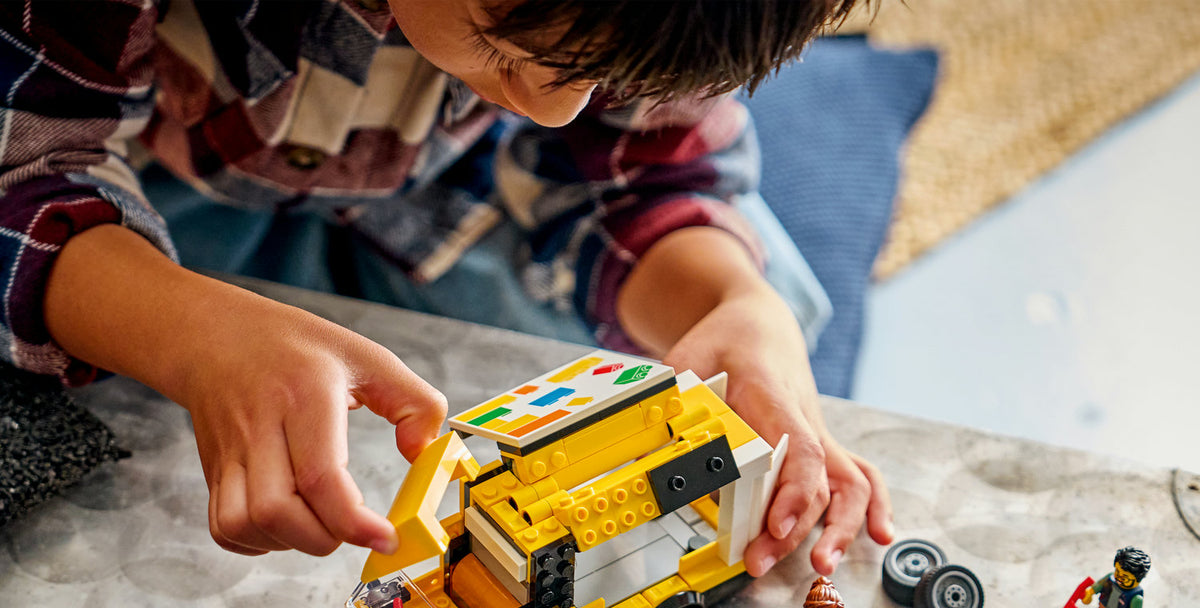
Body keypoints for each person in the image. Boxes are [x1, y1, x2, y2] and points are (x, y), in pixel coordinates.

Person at [0, 0, 893, 577]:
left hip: (447, 177)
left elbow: (643, 174)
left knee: (779, 300)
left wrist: (735, 305)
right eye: (503, 46)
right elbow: (22, 172)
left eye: (601, 78)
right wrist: (193, 336)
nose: (557, 107)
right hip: (162, 173)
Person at [1084, 546, 1152, 608]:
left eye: (1125, 577)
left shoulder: (1136, 598)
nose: (1119, 578)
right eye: (1117, 571)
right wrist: (1090, 592)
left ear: (1138, 579)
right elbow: (1099, 585)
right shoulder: (1110, 578)